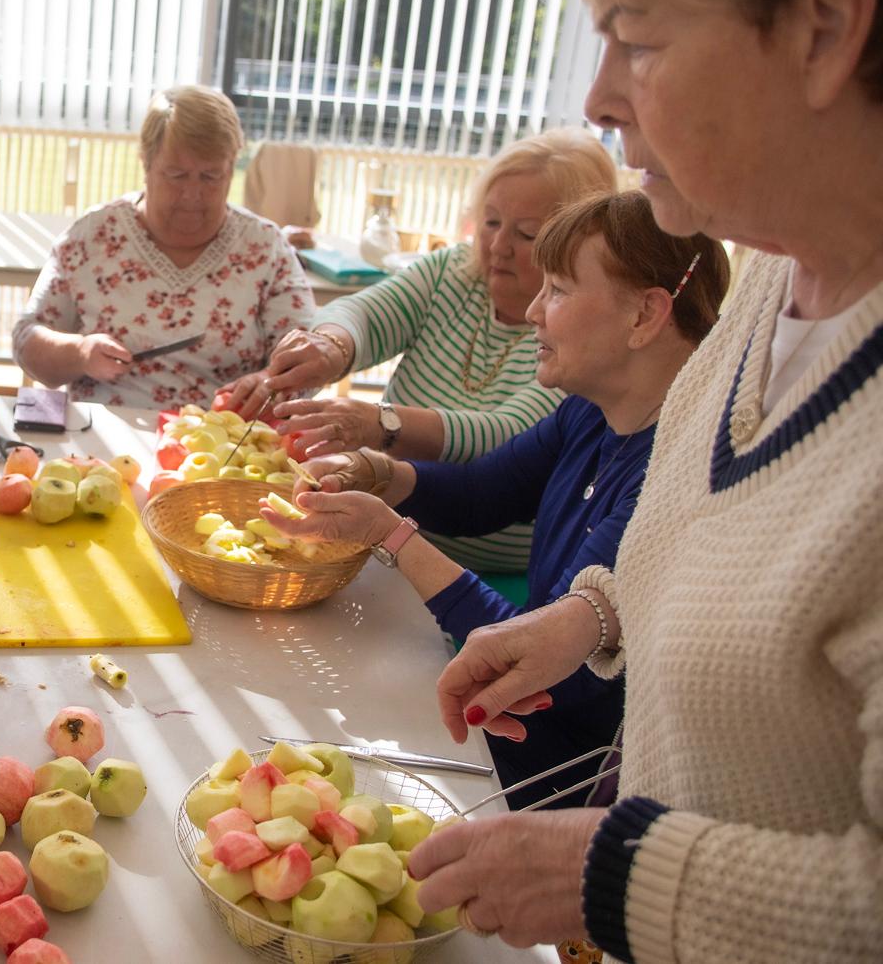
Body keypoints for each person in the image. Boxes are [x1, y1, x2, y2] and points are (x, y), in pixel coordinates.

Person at [402, 0, 883, 960]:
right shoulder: (768, 296)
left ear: (824, 31)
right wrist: (593, 618)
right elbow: (713, 549)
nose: (598, 95)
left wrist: (609, 874)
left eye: (640, 40)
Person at [264, 190, 728, 809]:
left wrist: (391, 534)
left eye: (558, 289)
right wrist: (376, 471)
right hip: (505, 731)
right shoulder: (592, 412)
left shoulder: (677, 476)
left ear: (645, 316)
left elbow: (531, 654)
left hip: (555, 782)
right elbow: (485, 493)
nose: (534, 311)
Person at [228, 128, 618, 575]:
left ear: (577, 242)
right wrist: (330, 345)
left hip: (483, 573)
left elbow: (506, 439)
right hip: (386, 542)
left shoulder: (579, 332)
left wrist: (380, 423)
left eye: (528, 234)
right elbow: (364, 314)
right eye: (491, 222)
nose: (497, 246)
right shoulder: (451, 272)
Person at [11, 85, 314, 409]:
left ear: (231, 169)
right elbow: (27, 340)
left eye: (211, 176)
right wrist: (81, 353)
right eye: (176, 174)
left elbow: (309, 359)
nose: (192, 194)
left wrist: (268, 383)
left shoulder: (265, 249)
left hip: (225, 443)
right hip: (103, 441)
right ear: (146, 162)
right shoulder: (93, 238)